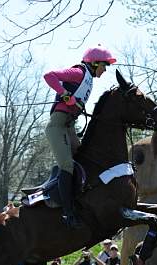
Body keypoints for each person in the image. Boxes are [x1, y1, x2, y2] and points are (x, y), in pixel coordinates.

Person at [43, 45, 117, 228]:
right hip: (57, 126)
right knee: (67, 165)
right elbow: (49, 76)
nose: (105, 70)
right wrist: (65, 95)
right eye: (104, 66)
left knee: (84, 155)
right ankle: (68, 214)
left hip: (68, 126)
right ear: (94, 63)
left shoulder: (88, 79)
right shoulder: (77, 72)